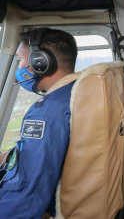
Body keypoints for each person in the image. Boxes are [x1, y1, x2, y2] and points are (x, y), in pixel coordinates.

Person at [0, 28, 78, 219]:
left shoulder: (47, 113)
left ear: (40, 63)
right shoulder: (74, 92)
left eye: (20, 61)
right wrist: (10, 156)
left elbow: (28, 192)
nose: (19, 69)